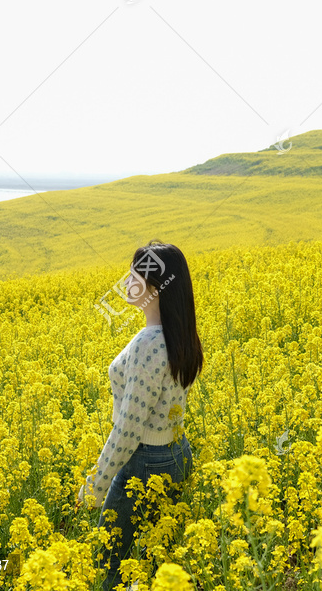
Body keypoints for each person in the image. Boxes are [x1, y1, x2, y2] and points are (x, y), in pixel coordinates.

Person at [77, 240, 204, 591]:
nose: (126, 280)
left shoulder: (150, 344)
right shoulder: (182, 335)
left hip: (145, 463)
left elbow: (129, 429)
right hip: (177, 454)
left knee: (107, 559)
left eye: (134, 273)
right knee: (154, 556)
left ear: (154, 286)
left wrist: (95, 485)